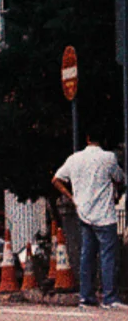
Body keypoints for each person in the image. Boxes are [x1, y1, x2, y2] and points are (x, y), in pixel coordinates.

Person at [52, 127, 123, 308]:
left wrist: (72, 197)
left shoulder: (74, 159)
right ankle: (109, 297)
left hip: (84, 213)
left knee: (87, 256)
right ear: (104, 140)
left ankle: (86, 296)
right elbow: (120, 178)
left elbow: (56, 179)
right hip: (105, 215)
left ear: (87, 138)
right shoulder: (108, 158)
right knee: (107, 257)